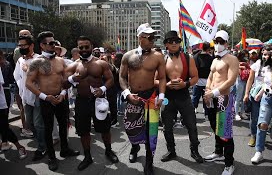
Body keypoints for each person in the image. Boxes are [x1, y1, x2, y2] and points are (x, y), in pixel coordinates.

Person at [26, 31, 79, 171]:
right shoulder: (37, 62)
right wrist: (45, 97)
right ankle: (51, 157)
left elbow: (64, 80)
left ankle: (65, 149)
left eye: (54, 42)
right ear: (42, 45)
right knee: (48, 129)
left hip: (61, 98)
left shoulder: (60, 60)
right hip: (46, 100)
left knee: (63, 125)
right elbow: (29, 83)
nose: (53, 45)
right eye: (50, 43)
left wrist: (62, 93)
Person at [65, 36, 118, 171]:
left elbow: (110, 80)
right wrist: (72, 78)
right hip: (82, 101)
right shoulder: (73, 65)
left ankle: (109, 150)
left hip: (98, 101)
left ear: (91, 46)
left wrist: (102, 89)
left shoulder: (101, 64)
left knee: (105, 128)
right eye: (80, 47)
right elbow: (63, 83)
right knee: (84, 131)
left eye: (86, 47)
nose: (83, 49)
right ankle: (87, 156)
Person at [119, 23, 166, 175]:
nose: (152, 40)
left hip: (151, 97)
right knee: (130, 127)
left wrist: (162, 96)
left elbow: (163, 78)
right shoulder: (128, 56)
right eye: (149, 37)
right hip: (133, 97)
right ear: (140, 38)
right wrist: (127, 94)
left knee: (151, 131)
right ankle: (134, 146)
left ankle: (149, 162)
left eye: (153, 37)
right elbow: (121, 76)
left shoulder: (158, 56)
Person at [159, 30, 203, 164]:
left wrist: (185, 84)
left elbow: (195, 77)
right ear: (166, 44)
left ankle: (194, 151)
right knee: (167, 127)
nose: (174, 43)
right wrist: (166, 84)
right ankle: (171, 151)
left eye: (176, 41)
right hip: (168, 97)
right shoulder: (161, 59)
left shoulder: (188, 57)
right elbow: (155, 80)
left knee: (191, 125)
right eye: (170, 41)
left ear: (180, 43)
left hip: (184, 96)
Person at [203, 30, 239, 175]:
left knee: (225, 132)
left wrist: (215, 92)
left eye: (221, 42)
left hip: (224, 98)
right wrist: (207, 90)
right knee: (214, 127)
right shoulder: (215, 59)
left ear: (226, 43)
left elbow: (231, 80)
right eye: (216, 41)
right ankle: (218, 152)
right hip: (211, 98)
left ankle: (229, 164)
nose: (218, 44)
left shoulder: (232, 59)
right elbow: (210, 76)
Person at [13, 35, 46, 161]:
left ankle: (42, 147)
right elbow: (17, 76)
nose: (21, 48)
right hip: (26, 96)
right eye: (19, 45)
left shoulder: (39, 59)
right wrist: (21, 91)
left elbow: (45, 78)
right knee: (30, 124)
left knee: (38, 124)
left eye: (23, 45)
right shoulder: (20, 60)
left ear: (31, 45)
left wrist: (28, 71)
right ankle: (41, 141)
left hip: (38, 95)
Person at [0, 51, 27, 159]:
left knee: (3, 125)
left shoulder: (5, 65)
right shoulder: (6, 64)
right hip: (5, 95)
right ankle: (5, 143)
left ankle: (19, 146)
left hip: (2, 101)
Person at [243, 47, 271, 147]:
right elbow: (250, 80)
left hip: (268, 96)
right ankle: (253, 136)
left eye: (267, 54)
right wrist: (246, 94)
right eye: (263, 54)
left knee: (265, 119)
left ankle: (261, 138)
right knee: (254, 117)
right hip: (255, 96)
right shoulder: (257, 64)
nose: (265, 56)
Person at [13, 29, 34, 138]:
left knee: (38, 119)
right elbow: (17, 73)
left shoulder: (37, 55)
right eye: (21, 36)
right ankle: (26, 127)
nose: (22, 47)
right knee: (24, 108)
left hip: (36, 91)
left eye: (25, 35)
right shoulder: (19, 53)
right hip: (22, 87)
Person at [192, 41, 214, 119]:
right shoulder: (211, 58)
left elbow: (193, 69)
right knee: (206, 97)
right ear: (208, 48)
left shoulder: (195, 57)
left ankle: (193, 110)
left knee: (195, 97)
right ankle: (206, 112)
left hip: (197, 81)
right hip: (207, 81)